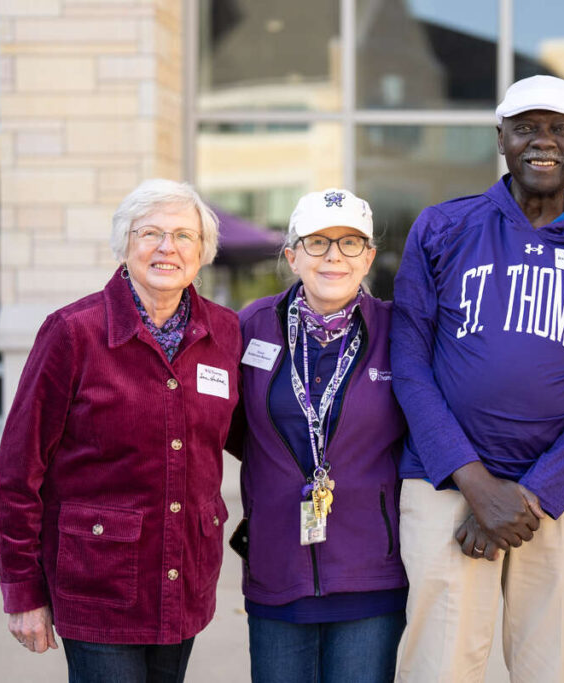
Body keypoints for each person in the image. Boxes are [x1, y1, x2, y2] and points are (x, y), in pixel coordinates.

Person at [391, 75, 564, 682]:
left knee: (556, 667)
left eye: (560, 129)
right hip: (447, 485)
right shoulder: (442, 228)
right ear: (500, 138)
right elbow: (409, 363)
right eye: (526, 128)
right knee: (441, 665)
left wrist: (531, 495)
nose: (544, 141)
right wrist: (477, 484)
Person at [0, 179, 241, 683]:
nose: (167, 248)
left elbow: (250, 437)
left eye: (183, 236)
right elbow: (19, 472)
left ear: (203, 251)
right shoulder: (72, 332)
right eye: (150, 233)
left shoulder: (225, 333)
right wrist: (23, 591)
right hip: (97, 583)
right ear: (125, 243)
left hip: (184, 575)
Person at [227, 189, 407, 683]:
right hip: (277, 566)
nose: (333, 256)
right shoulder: (252, 327)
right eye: (318, 242)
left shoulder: (400, 331)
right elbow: (229, 425)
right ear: (292, 255)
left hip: (370, 568)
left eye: (350, 243)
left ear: (369, 257)